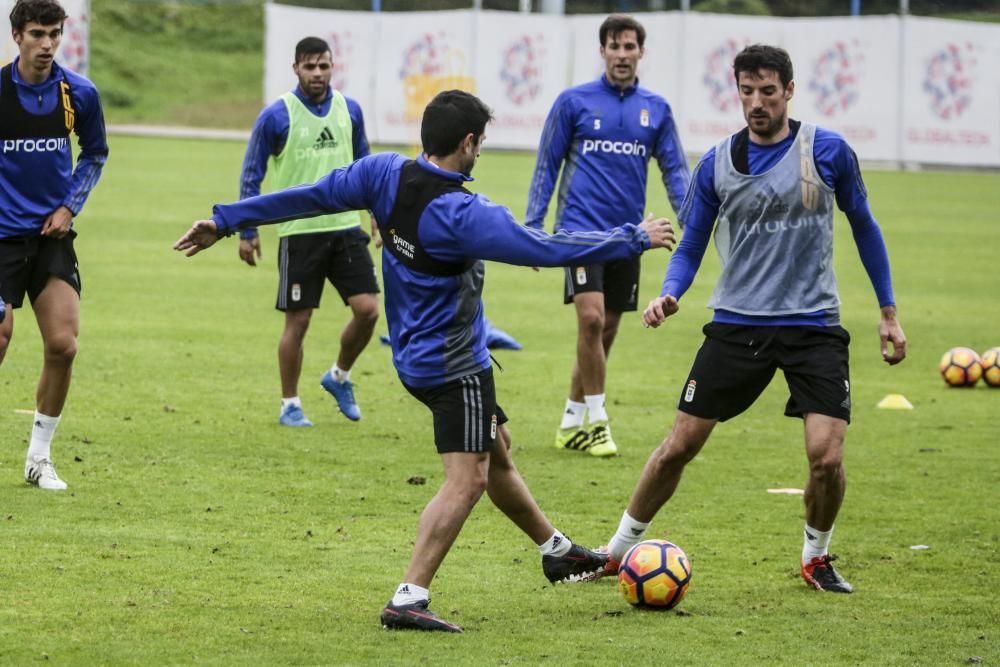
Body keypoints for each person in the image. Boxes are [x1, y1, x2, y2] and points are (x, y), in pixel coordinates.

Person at [175, 90, 677, 632]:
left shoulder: (381, 175)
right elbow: (545, 247)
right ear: (466, 143)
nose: (480, 152)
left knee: (497, 450)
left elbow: (311, 196)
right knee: (469, 479)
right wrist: (633, 237)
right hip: (453, 364)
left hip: (414, 355)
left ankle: (556, 550)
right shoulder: (464, 213)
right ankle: (409, 597)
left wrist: (227, 220)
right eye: (480, 143)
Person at [601, 44, 907, 594]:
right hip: (738, 324)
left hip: (813, 325)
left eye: (768, 91)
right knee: (678, 446)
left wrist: (888, 313)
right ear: (737, 92)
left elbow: (865, 225)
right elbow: (691, 241)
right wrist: (670, 293)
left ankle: (816, 556)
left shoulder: (829, 152)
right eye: (747, 91)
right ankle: (616, 551)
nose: (757, 102)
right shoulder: (716, 163)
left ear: (789, 90)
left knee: (826, 457)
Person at [526, 14, 691, 458]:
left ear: (641, 52)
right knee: (592, 320)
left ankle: (570, 420)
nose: (622, 54)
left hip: (629, 236)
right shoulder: (573, 102)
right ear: (602, 51)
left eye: (629, 47)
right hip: (579, 231)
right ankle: (598, 422)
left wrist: (692, 217)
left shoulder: (656, 109)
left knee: (607, 328)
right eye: (614, 46)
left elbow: (674, 169)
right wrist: (531, 228)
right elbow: (547, 164)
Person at [238, 36, 380, 427]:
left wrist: (376, 212)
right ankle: (290, 404)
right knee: (298, 323)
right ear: (295, 68)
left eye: (324, 66)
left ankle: (339, 376)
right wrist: (247, 230)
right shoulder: (277, 116)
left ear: (333, 67)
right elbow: (253, 174)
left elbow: (366, 166)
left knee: (368, 311)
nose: (318, 74)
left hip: (346, 228)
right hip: (300, 233)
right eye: (310, 66)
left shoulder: (349, 111)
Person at [0, 0, 108, 491]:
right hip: (1, 236)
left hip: (49, 238)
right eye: (38, 34)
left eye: (55, 34)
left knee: (63, 346)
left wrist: (70, 207)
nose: (47, 44)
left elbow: (95, 153)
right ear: (17, 36)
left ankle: (39, 457)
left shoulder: (78, 93)